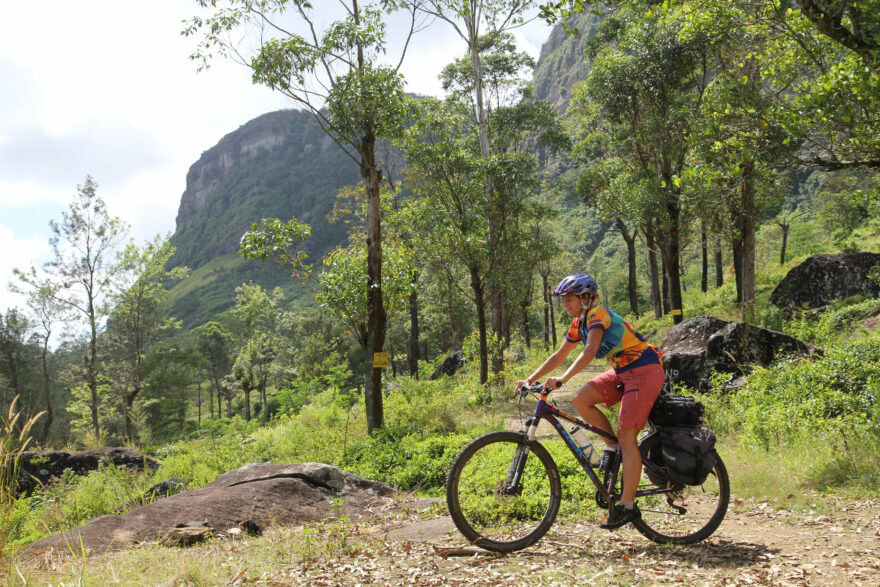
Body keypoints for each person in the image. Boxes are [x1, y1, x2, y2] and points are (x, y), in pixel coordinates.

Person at [514, 273, 664, 529]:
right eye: (563, 300)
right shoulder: (578, 323)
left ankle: (628, 506)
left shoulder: (597, 314)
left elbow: (590, 350)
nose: (565, 304)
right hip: (622, 372)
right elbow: (558, 355)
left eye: (569, 299)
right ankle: (613, 447)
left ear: (585, 298)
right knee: (581, 399)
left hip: (645, 369)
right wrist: (529, 379)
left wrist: (563, 378)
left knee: (628, 435)